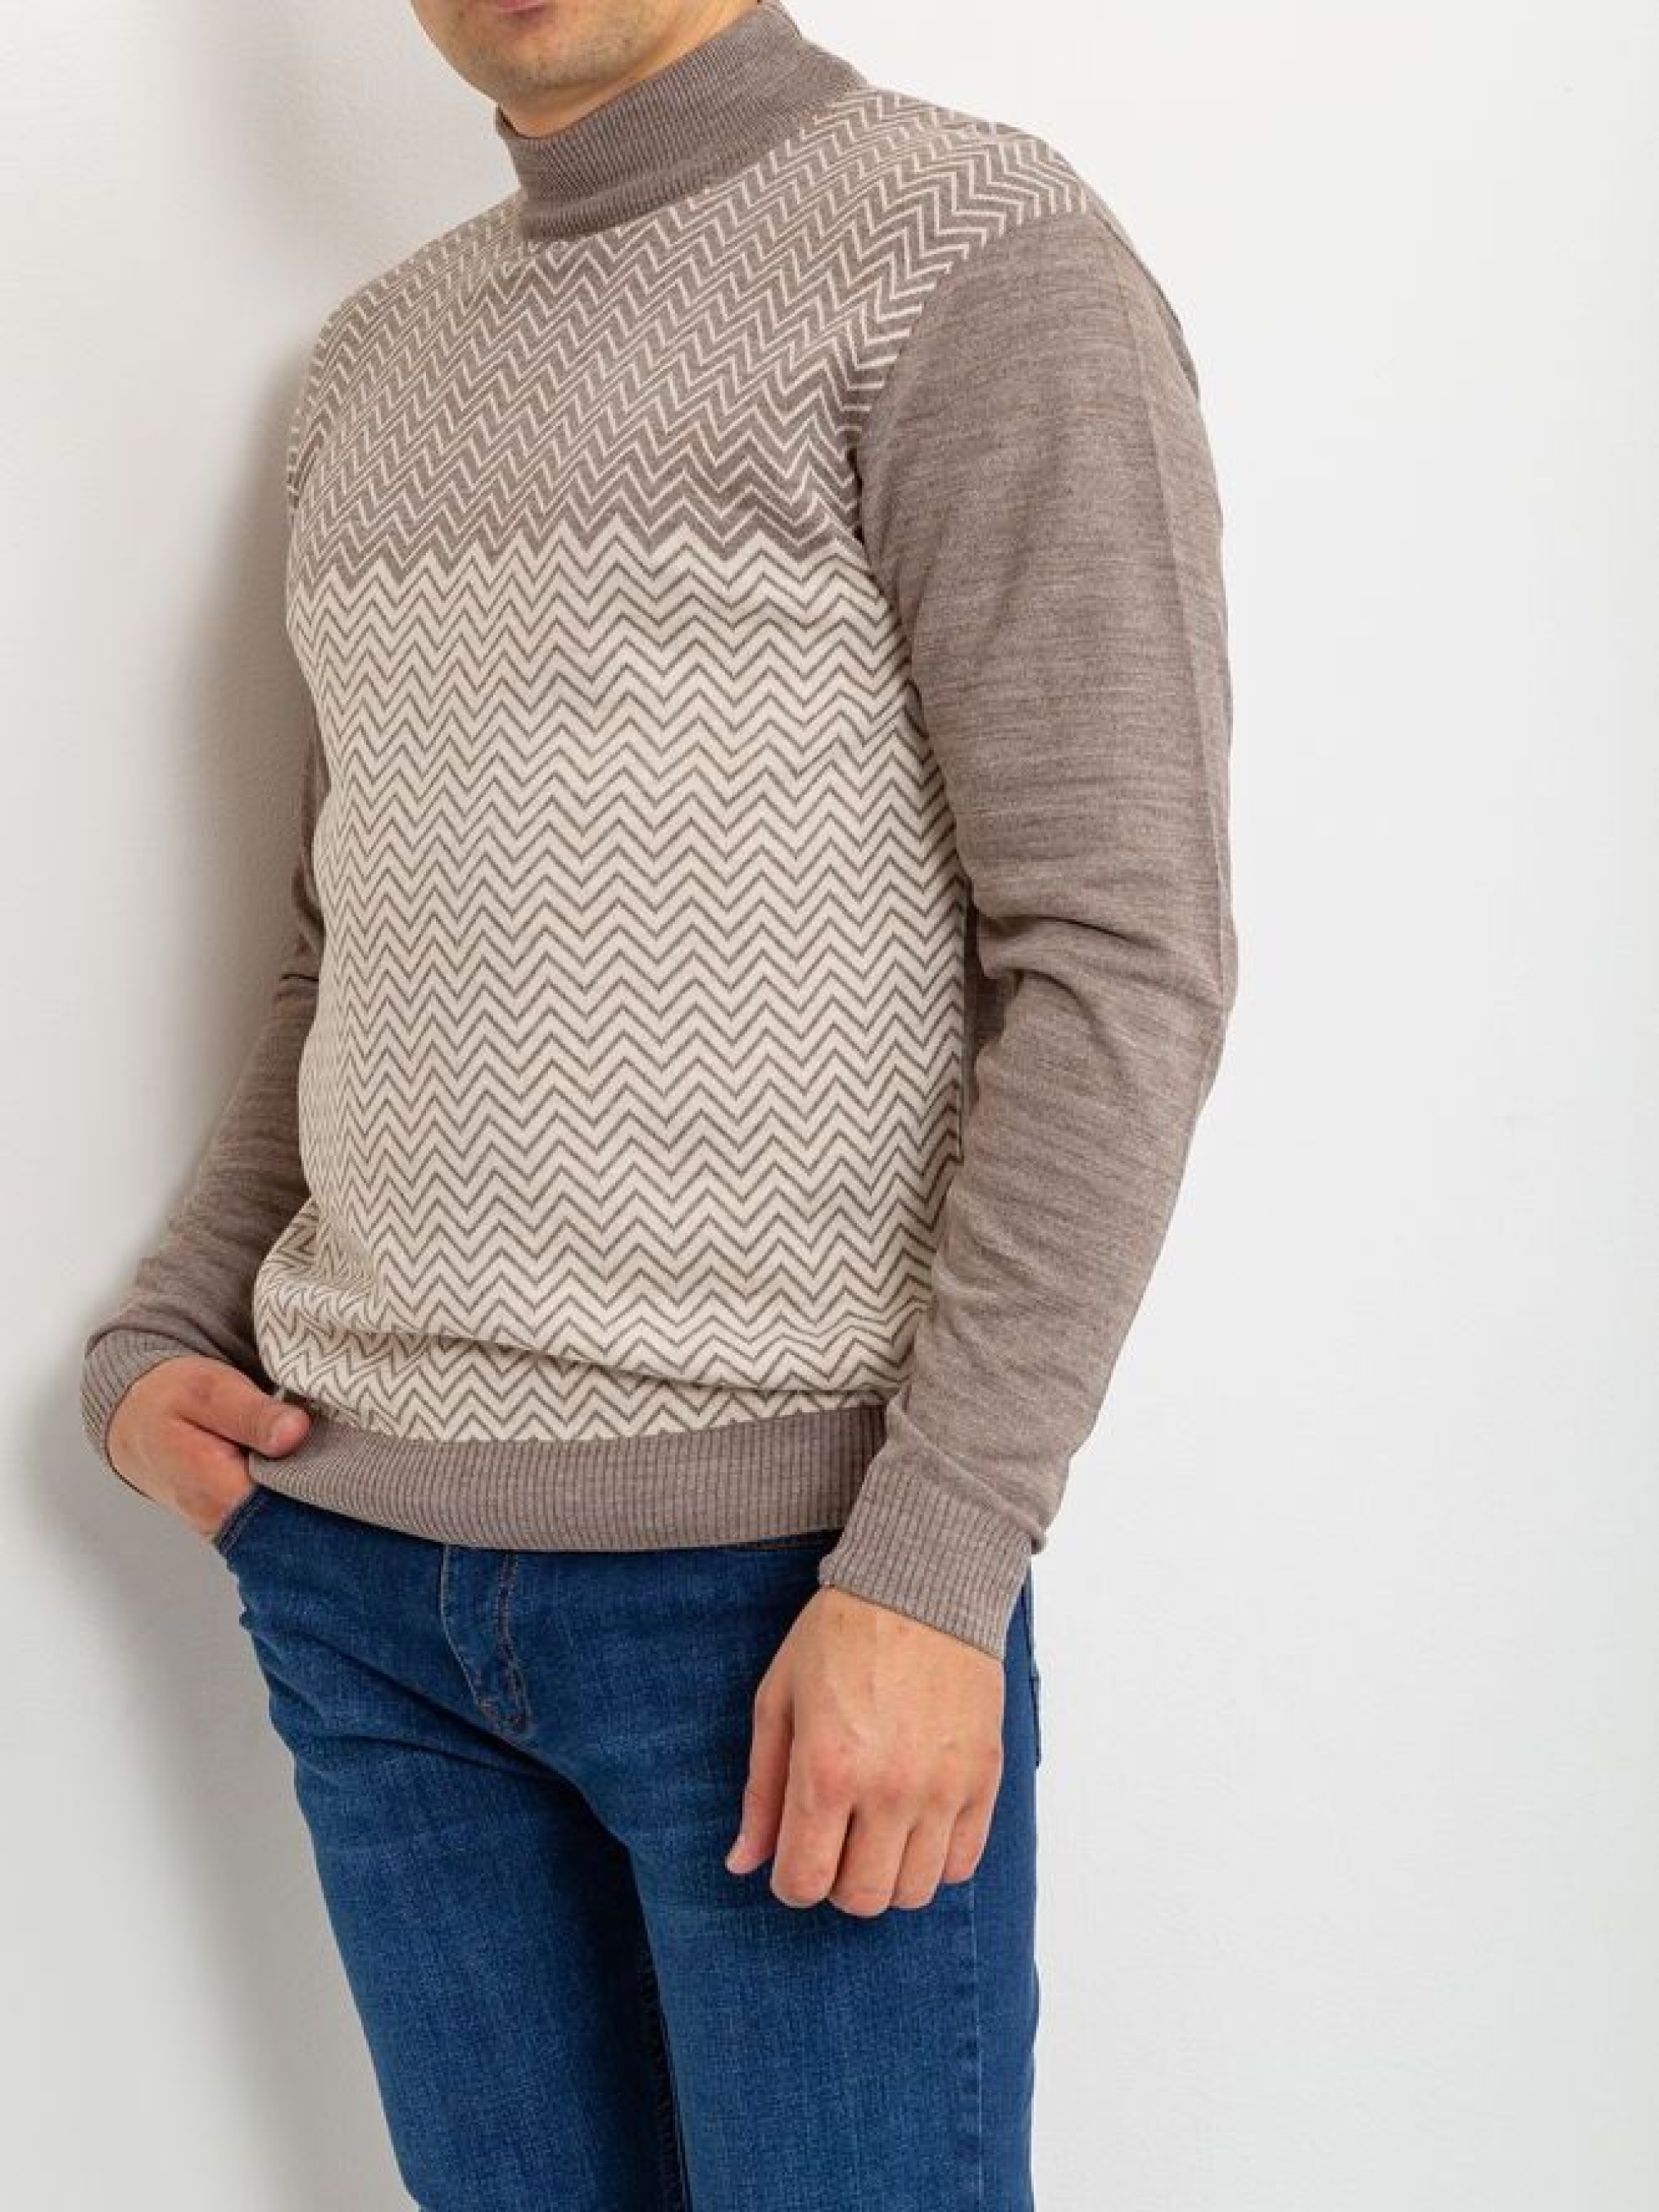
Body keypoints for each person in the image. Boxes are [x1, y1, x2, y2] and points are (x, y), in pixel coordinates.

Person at [79, 1, 1236, 2201]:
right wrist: (162, 1330)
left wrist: (933, 1572)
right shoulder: (371, 367)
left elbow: (1115, 960)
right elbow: (348, 939)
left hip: (780, 1597)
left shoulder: (974, 250)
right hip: (363, 1585)